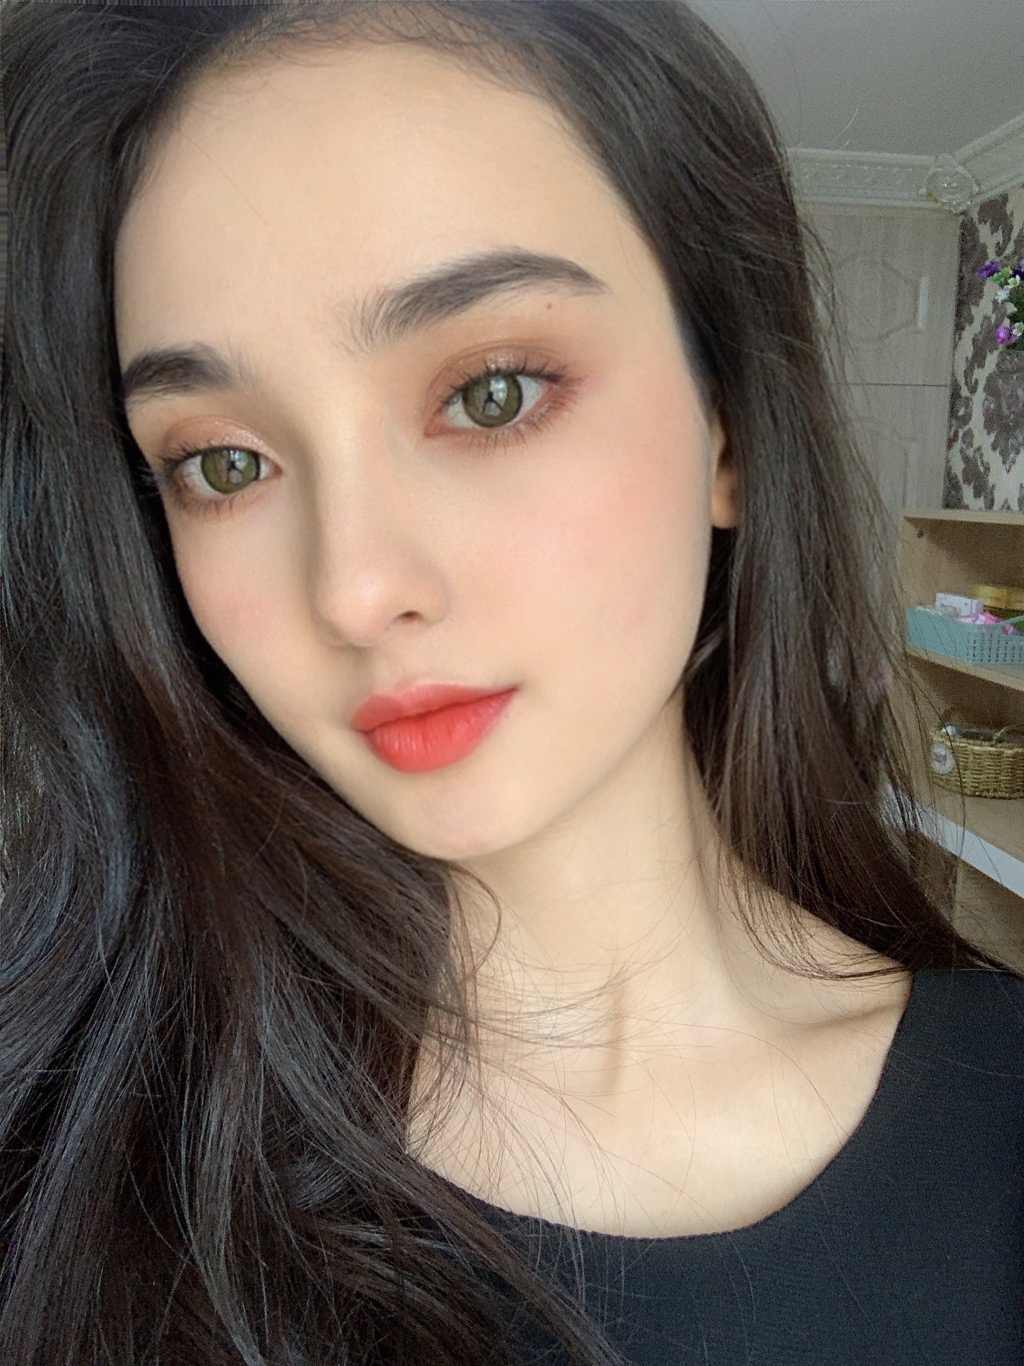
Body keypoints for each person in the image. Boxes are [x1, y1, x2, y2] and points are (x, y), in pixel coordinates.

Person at [1, 2, 1021, 1362]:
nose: (355, 588)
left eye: (490, 393)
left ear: (727, 424)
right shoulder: (74, 1176)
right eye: (225, 464)